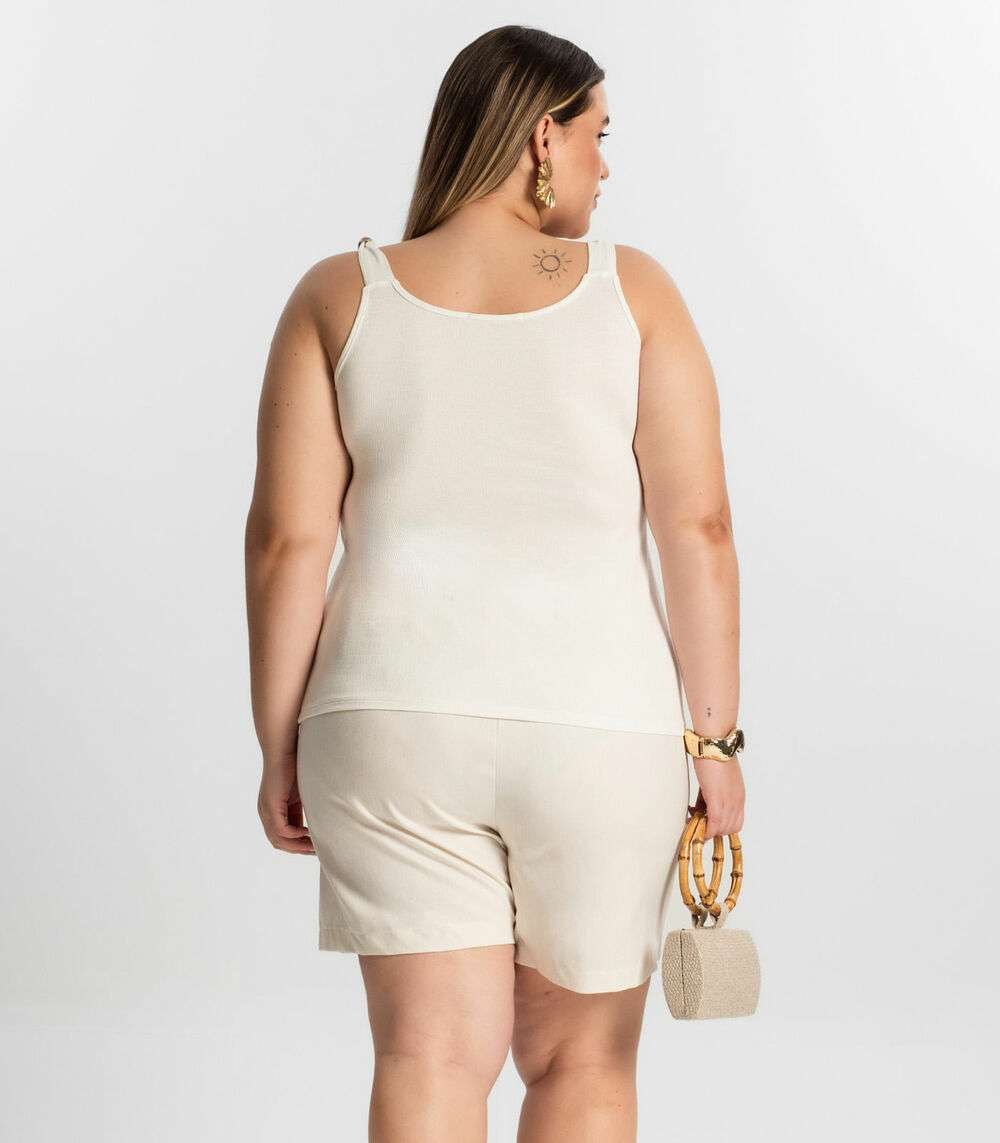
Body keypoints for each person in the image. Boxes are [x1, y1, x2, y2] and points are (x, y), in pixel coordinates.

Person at [244, 23, 745, 1143]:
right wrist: (714, 743)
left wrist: (279, 745)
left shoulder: (338, 294)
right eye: (599, 136)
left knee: (427, 1059)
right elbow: (698, 529)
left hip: (387, 722)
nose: (606, 167)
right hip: (595, 725)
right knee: (583, 1065)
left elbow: (286, 544)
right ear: (542, 138)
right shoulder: (633, 292)